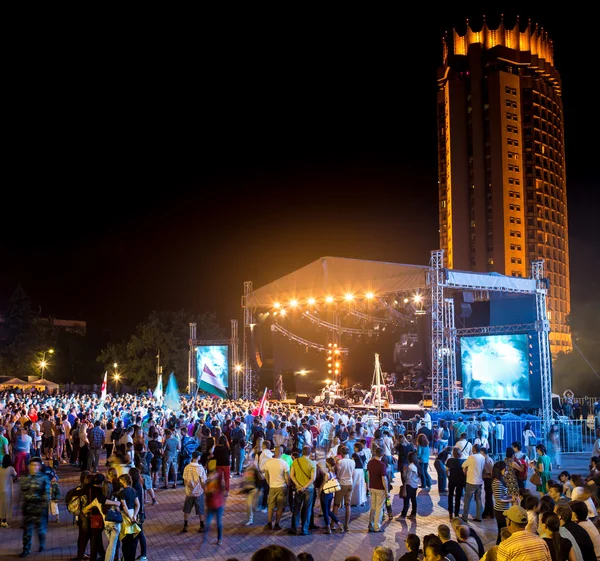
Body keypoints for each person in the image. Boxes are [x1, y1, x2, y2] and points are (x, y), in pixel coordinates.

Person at [19, 457, 50, 558]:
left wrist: (43, 507)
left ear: (39, 467)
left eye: (36, 465)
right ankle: (26, 549)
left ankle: (42, 544)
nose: (34, 467)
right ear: (28, 466)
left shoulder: (44, 478)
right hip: (28, 508)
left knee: (41, 530)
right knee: (27, 531)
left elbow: (47, 495)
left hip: (40, 509)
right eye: (32, 465)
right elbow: (21, 494)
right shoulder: (25, 479)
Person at [288, 445, 315, 536]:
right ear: (310, 453)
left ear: (302, 452)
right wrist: (305, 486)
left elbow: (291, 475)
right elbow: (313, 479)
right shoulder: (312, 463)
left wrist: (298, 485)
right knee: (307, 509)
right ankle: (304, 529)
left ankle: (294, 528)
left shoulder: (295, 461)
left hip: (298, 489)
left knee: (296, 508)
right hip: (309, 488)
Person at [263, 445, 290, 531]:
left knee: (270, 506)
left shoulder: (268, 462)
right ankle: (277, 524)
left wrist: (269, 483)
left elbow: (266, 475)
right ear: (281, 453)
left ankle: (269, 523)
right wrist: (288, 484)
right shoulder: (284, 463)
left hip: (272, 487)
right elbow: (287, 477)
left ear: (274, 452)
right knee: (280, 507)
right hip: (282, 487)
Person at [180, 450, 206, 534]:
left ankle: (185, 525)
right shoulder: (200, 468)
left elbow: (184, 480)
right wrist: (205, 489)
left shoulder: (187, 467)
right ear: (198, 457)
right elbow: (202, 481)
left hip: (189, 492)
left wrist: (187, 487)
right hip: (198, 492)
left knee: (187, 509)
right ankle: (202, 526)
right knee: (200, 509)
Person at [116, 473, 141, 561]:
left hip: (125, 517)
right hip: (133, 514)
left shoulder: (122, 493)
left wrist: (130, 517)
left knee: (125, 541)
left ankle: (126, 558)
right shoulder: (134, 491)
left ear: (123, 481)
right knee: (133, 540)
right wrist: (134, 515)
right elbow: (138, 504)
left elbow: (124, 506)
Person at [492, 461, 515, 544]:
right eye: (505, 470)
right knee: (502, 532)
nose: (506, 471)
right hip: (500, 511)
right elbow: (498, 499)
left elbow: (502, 495)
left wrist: (509, 496)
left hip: (503, 509)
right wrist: (510, 500)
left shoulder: (500, 480)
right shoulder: (497, 482)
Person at [367, 446, 389, 531]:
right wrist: (386, 491)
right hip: (380, 488)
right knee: (379, 507)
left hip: (372, 486)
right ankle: (377, 526)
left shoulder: (370, 463)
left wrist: (369, 485)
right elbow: (384, 479)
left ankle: (371, 524)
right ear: (382, 455)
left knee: (373, 506)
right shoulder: (382, 465)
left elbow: (368, 475)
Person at [333, 445, 355, 531]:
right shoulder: (352, 462)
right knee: (347, 505)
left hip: (342, 483)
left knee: (336, 504)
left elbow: (338, 474)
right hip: (350, 483)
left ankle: (332, 524)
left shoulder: (340, 462)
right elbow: (352, 472)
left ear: (341, 453)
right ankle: (346, 525)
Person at [462, 443, 485, 522]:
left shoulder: (472, 457)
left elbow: (463, 464)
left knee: (467, 499)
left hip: (471, 481)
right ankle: (479, 516)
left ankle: (465, 516)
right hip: (479, 481)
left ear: (474, 450)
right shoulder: (482, 457)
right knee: (478, 499)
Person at [320, 457, 344, 534]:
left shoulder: (327, 474)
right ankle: (339, 523)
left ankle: (328, 528)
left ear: (328, 464)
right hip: (331, 493)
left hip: (325, 493)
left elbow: (323, 484)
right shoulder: (334, 473)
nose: (325, 464)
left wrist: (319, 492)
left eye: (326, 463)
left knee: (325, 511)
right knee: (328, 510)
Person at [446, 446, 466, 520]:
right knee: (458, 496)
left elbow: (447, 470)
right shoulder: (464, 461)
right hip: (460, 480)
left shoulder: (450, 460)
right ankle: (456, 513)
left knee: (450, 495)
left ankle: (450, 512)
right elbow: (465, 472)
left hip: (452, 479)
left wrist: (448, 477)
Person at [399, 451, 419, 519]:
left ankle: (403, 515)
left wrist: (404, 471)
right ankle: (413, 514)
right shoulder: (416, 465)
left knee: (406, 500)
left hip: (409, 485)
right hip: (415, 484)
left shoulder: (410, 467)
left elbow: (407, 477)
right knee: (413, 499)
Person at [0, 454, 17, 527]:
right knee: (5, 505)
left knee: (0, 505)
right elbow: (15, 475)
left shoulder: (0, 468)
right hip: (7, 490)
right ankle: (4, 521)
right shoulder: (11, 469)